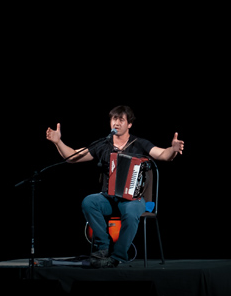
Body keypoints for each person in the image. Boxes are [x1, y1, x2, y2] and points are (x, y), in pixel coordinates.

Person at [46, 105, 184, 267]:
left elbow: (163, 155)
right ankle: (103, 247)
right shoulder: (103, 144)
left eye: (121, 120)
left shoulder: (139, 144)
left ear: (129, 124)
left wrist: (173, 149)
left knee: (131, 212)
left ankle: (117, 256)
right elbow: (72, 157)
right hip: (109, 198)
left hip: (133, 200)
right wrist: (58, 142)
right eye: (114, 119)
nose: (116, 123)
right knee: (89, 202)